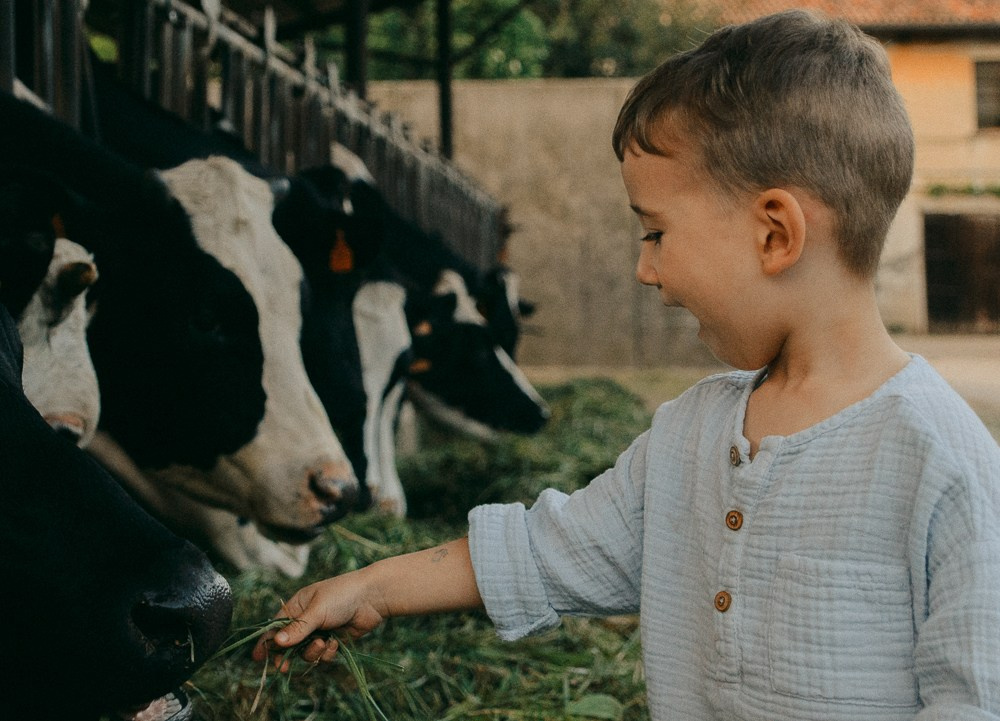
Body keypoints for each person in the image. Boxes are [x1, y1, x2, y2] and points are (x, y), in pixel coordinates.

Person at [254, 9, 1000, 718]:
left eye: (655, 233)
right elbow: (546, 550)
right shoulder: (689, 435)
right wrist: (373, 586)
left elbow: (974, 695)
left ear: (775, 234)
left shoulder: (941, 461)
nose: (646, 271)